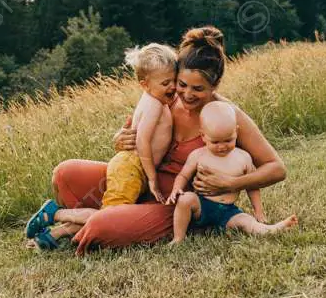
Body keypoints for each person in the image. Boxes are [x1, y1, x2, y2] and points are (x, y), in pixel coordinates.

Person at [23, 26, 288, 255]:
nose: (186, 94)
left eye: (198, 89)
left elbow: (276, 168)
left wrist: (231, 183)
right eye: (181, 84)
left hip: (172, 204)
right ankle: (102, 216)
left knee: (102, 227)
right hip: (139, 184)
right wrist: (120, 139)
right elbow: (133, 136)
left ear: (215, 86)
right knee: (65, 173)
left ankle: (69, 222)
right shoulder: (164, 98)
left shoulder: (227, 115)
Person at [24, 43, 177, 248]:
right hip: (132, 168)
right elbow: (141, 141)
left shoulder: (151, 98)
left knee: (111, 213)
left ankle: (55, 234)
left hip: (129, 166)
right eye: (166, 82)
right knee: (110, 215)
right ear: (145, 84)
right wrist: (151, 177)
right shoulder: (156, 105)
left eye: (175, 80)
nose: (173, 87)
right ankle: (56, 214)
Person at [167, 101, 297, 243]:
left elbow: (252, 186)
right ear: (203, 136)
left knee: (246, 220)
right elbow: (184, 175)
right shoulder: (198, 155)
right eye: (215, 142)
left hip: (228, 212)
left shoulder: (243, 157)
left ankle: (272, 229)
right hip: (202, 206)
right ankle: (178, 237)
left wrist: (258, 211)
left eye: (228, 140)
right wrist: (176, 189)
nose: (222, 147)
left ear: (236, 131)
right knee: (185, 199)